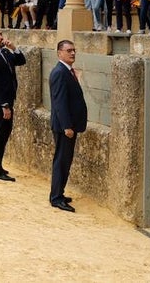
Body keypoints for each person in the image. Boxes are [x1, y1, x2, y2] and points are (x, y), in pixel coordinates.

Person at [0, 27, 26, 182]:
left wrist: (13, 48)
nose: (1, 38)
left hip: (7, 100)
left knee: (4, 134)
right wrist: (4, 106)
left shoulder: (5, 52)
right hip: (0, 103)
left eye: (1, 35)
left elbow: (21, 61)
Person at [48, 39, 87, 212]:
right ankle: (56, 197)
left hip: (69, 125)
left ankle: (59, 193)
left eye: (74, 50)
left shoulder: (68, 71)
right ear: (59, 53)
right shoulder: (59, 72)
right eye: (69, 50)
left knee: (65, 161)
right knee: (61, 162)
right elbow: (59, 103)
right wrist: (67, 126)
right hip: (65, 127)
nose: (72, 53)